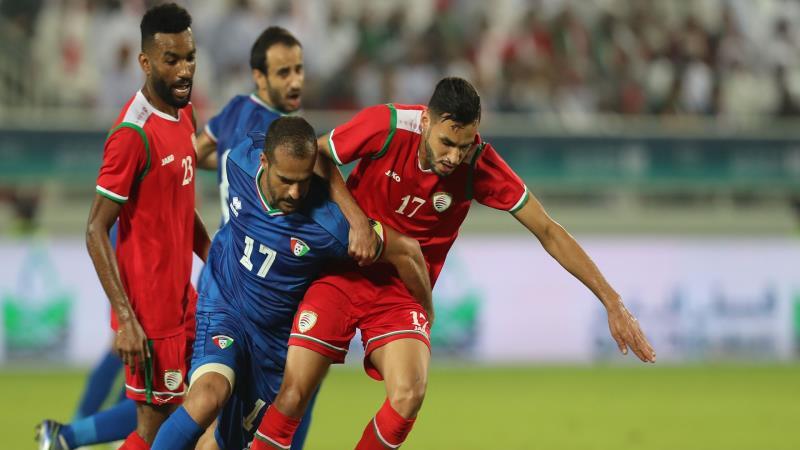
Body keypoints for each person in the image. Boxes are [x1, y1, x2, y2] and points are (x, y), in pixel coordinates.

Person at [251, 77, 656, 450]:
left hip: (402, 292)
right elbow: (317, 156)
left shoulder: (479, 164)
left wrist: (612, 301)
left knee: (409, 395)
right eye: (447, 142)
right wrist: (356, 220)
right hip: (342, 272)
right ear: (427, 121)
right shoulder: (388, 126)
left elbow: (548, 230)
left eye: (464, 145)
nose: (454, 156)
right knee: (294, 393)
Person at [150, 117, 432, 450]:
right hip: (224, 306)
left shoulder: (330, 226)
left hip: (274, 342)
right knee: (207, 396)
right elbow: (181, 177)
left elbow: (406, 250)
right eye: (286, 180)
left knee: (223, 442)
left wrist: (425, 313)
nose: (295, 192)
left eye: (303, 181)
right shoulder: (238, 162)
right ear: (264, 161)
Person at [38, 4, 211, 450]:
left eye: (190, 57)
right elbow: (95, 229)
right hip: (150, 313)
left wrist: (215, 258)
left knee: (200, 400)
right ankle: (66, 437)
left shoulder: (184, 115)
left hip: (182, 298)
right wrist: (127, 321)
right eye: (172, 60)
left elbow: (181, 205)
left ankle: (67, 437)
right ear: (145, 62)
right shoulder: (132, 135)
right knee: (154, 425)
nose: (184, 69)